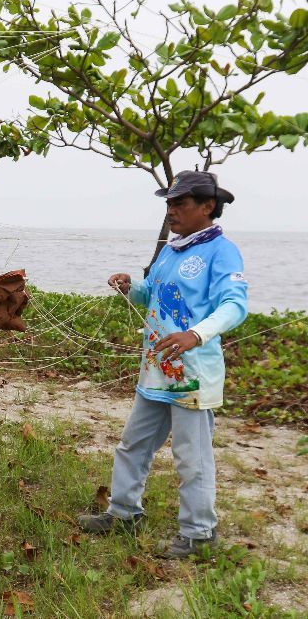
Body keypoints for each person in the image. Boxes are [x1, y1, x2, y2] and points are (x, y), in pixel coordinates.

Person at [78, 170, 248, 559]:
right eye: (168, 203)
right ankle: (122, 513)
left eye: (180, 203)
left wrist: (196, 335)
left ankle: (199, 533)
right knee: (132, 445)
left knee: (192, 457)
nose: (171, 210)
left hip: (191, 376)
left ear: (208, 206)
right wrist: (130, 286)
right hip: (156, 371)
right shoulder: (171, 250)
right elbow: (151, 293)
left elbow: (234, 306)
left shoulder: (223, 252)